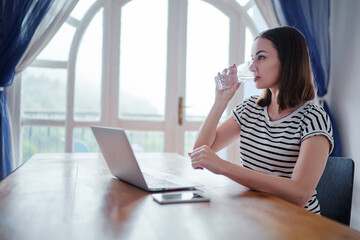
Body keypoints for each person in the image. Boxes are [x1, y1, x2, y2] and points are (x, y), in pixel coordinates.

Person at [188, 26, 334, 214]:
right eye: (252, 58)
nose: (251, 66)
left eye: (261, 57)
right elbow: (201, 151)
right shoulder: (251, 108)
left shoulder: (314, 119)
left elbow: (300, 194)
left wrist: (223, 167)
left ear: (288, 62)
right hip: (256, 213)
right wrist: (220, 101)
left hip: (297, 223)